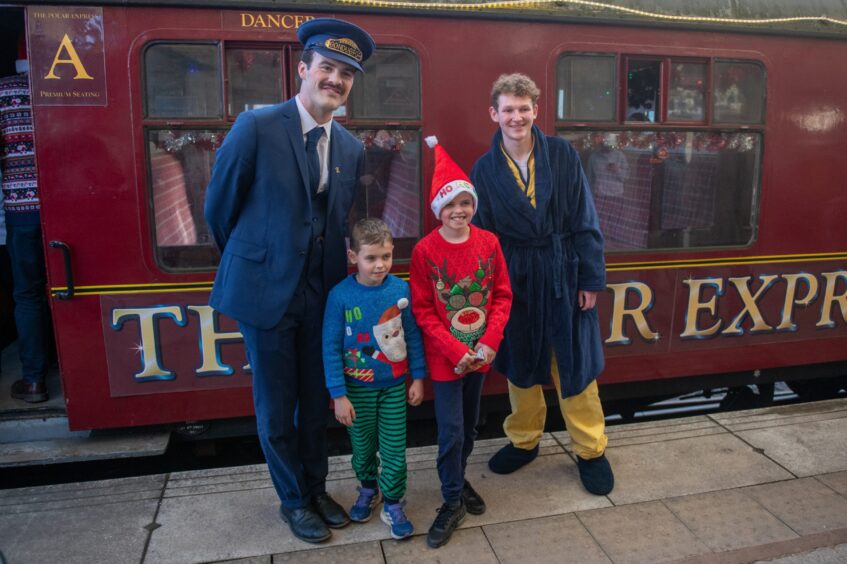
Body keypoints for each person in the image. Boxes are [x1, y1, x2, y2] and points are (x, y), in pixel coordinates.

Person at [204, 18, 375, 544]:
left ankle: (317, 487)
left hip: (319, 295)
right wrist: (260, 261)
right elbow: (219, 211)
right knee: (277, 406)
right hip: (267, 294)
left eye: (346, 73)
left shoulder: (349, 147)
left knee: (315, 401)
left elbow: (340, 219)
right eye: (327, 68)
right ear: (303, 69)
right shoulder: (256, 128)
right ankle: (293, 501)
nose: (336, 80)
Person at [470, 73, 614, 496]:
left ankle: (591, 450)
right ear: (494, 114)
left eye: (524, 108)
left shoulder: (563, 155)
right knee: (520, 362)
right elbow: (483, 235)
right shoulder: (484, 169)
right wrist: (489, 290)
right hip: (514, 276)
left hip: (562, 270)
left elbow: (585, 218)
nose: (517, 117)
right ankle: (524, 440)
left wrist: (590, 277)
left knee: (574, 364)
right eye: (509, 110)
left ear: (537, 110)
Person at [410, 137, 512, 548]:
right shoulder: (424, 251)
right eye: (451, 205)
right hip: (446, 359)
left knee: (469, 427)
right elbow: (422, 310)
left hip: (481, 355)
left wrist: (488, 344)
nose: (459, 211)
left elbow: (502, 296)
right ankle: (451, 500)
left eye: (466, 203)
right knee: (451, 430)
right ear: (439, 210)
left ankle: (459, 475)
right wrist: (456, 349)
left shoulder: (489, 243)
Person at [322, 218, 426, 540]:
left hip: (394, 388)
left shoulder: (400, 290)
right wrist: (339, 395)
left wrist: (418, 377)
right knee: (363, 449)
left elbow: (413, 336)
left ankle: (393, 503)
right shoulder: (340, 296)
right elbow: (330, 347)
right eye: (371, 258)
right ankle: (368, 489)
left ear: (393, 252)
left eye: (386, 256)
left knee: (395, 451)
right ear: (353, 256)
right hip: (356, 391)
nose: (379, 265)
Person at [1, 34, 51, 403]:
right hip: (71, 209)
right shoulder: (62, 91)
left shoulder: (2, 93)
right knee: (73, 290)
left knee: (28, 294)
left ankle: (34, 380)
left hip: (22, 212)